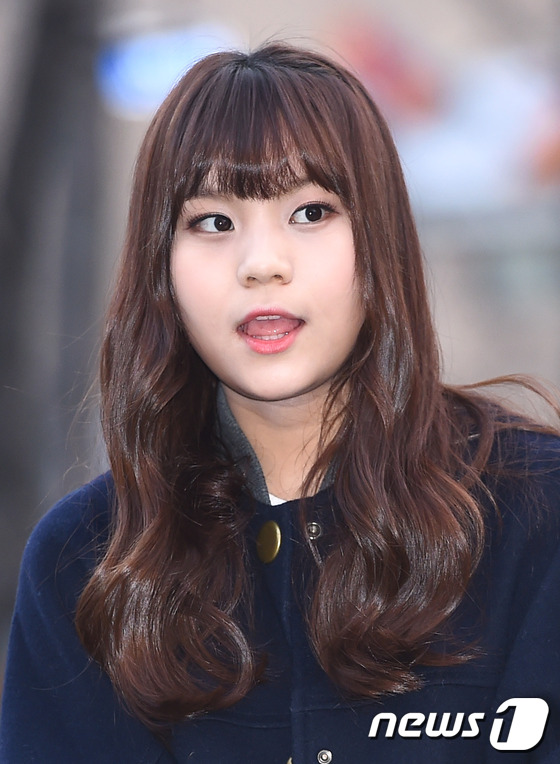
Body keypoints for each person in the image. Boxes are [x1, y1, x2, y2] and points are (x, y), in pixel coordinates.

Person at [1, 42, 560, 764]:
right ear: (160, 266)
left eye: (310, 211)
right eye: (214, 222)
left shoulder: (536, 513)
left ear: (380, 241)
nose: (262, 264)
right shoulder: (87, 562)